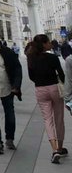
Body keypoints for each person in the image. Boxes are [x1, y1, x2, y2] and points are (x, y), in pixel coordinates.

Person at [26, 34, 67, 163]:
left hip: (40, 89)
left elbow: (31, 76)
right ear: (44, 44)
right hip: (54, 88)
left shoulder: (31, 58)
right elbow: (61, 75)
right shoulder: (53, 57)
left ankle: (54, 149)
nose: (50, 43)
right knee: (59, 119)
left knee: (47, 120)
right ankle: (60, 148)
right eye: (48, 42)